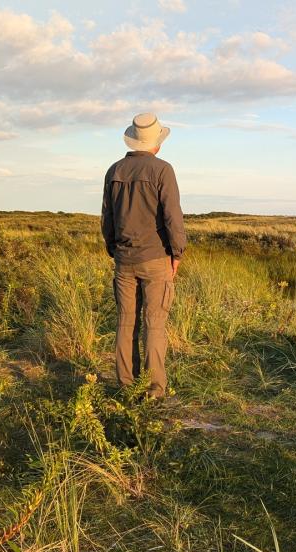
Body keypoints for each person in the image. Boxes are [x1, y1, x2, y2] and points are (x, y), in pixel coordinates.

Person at [101, 112, 186, 400]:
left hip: (124, 260)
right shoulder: (163, 170)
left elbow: (107, 218)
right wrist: (176, 254)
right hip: (156, 259)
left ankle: (127, 387)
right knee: (154, 325)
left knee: (126, 324)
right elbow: (173, 217)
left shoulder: (114, 171)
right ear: (156, 143)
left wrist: (114, 249)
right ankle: (153, 391)